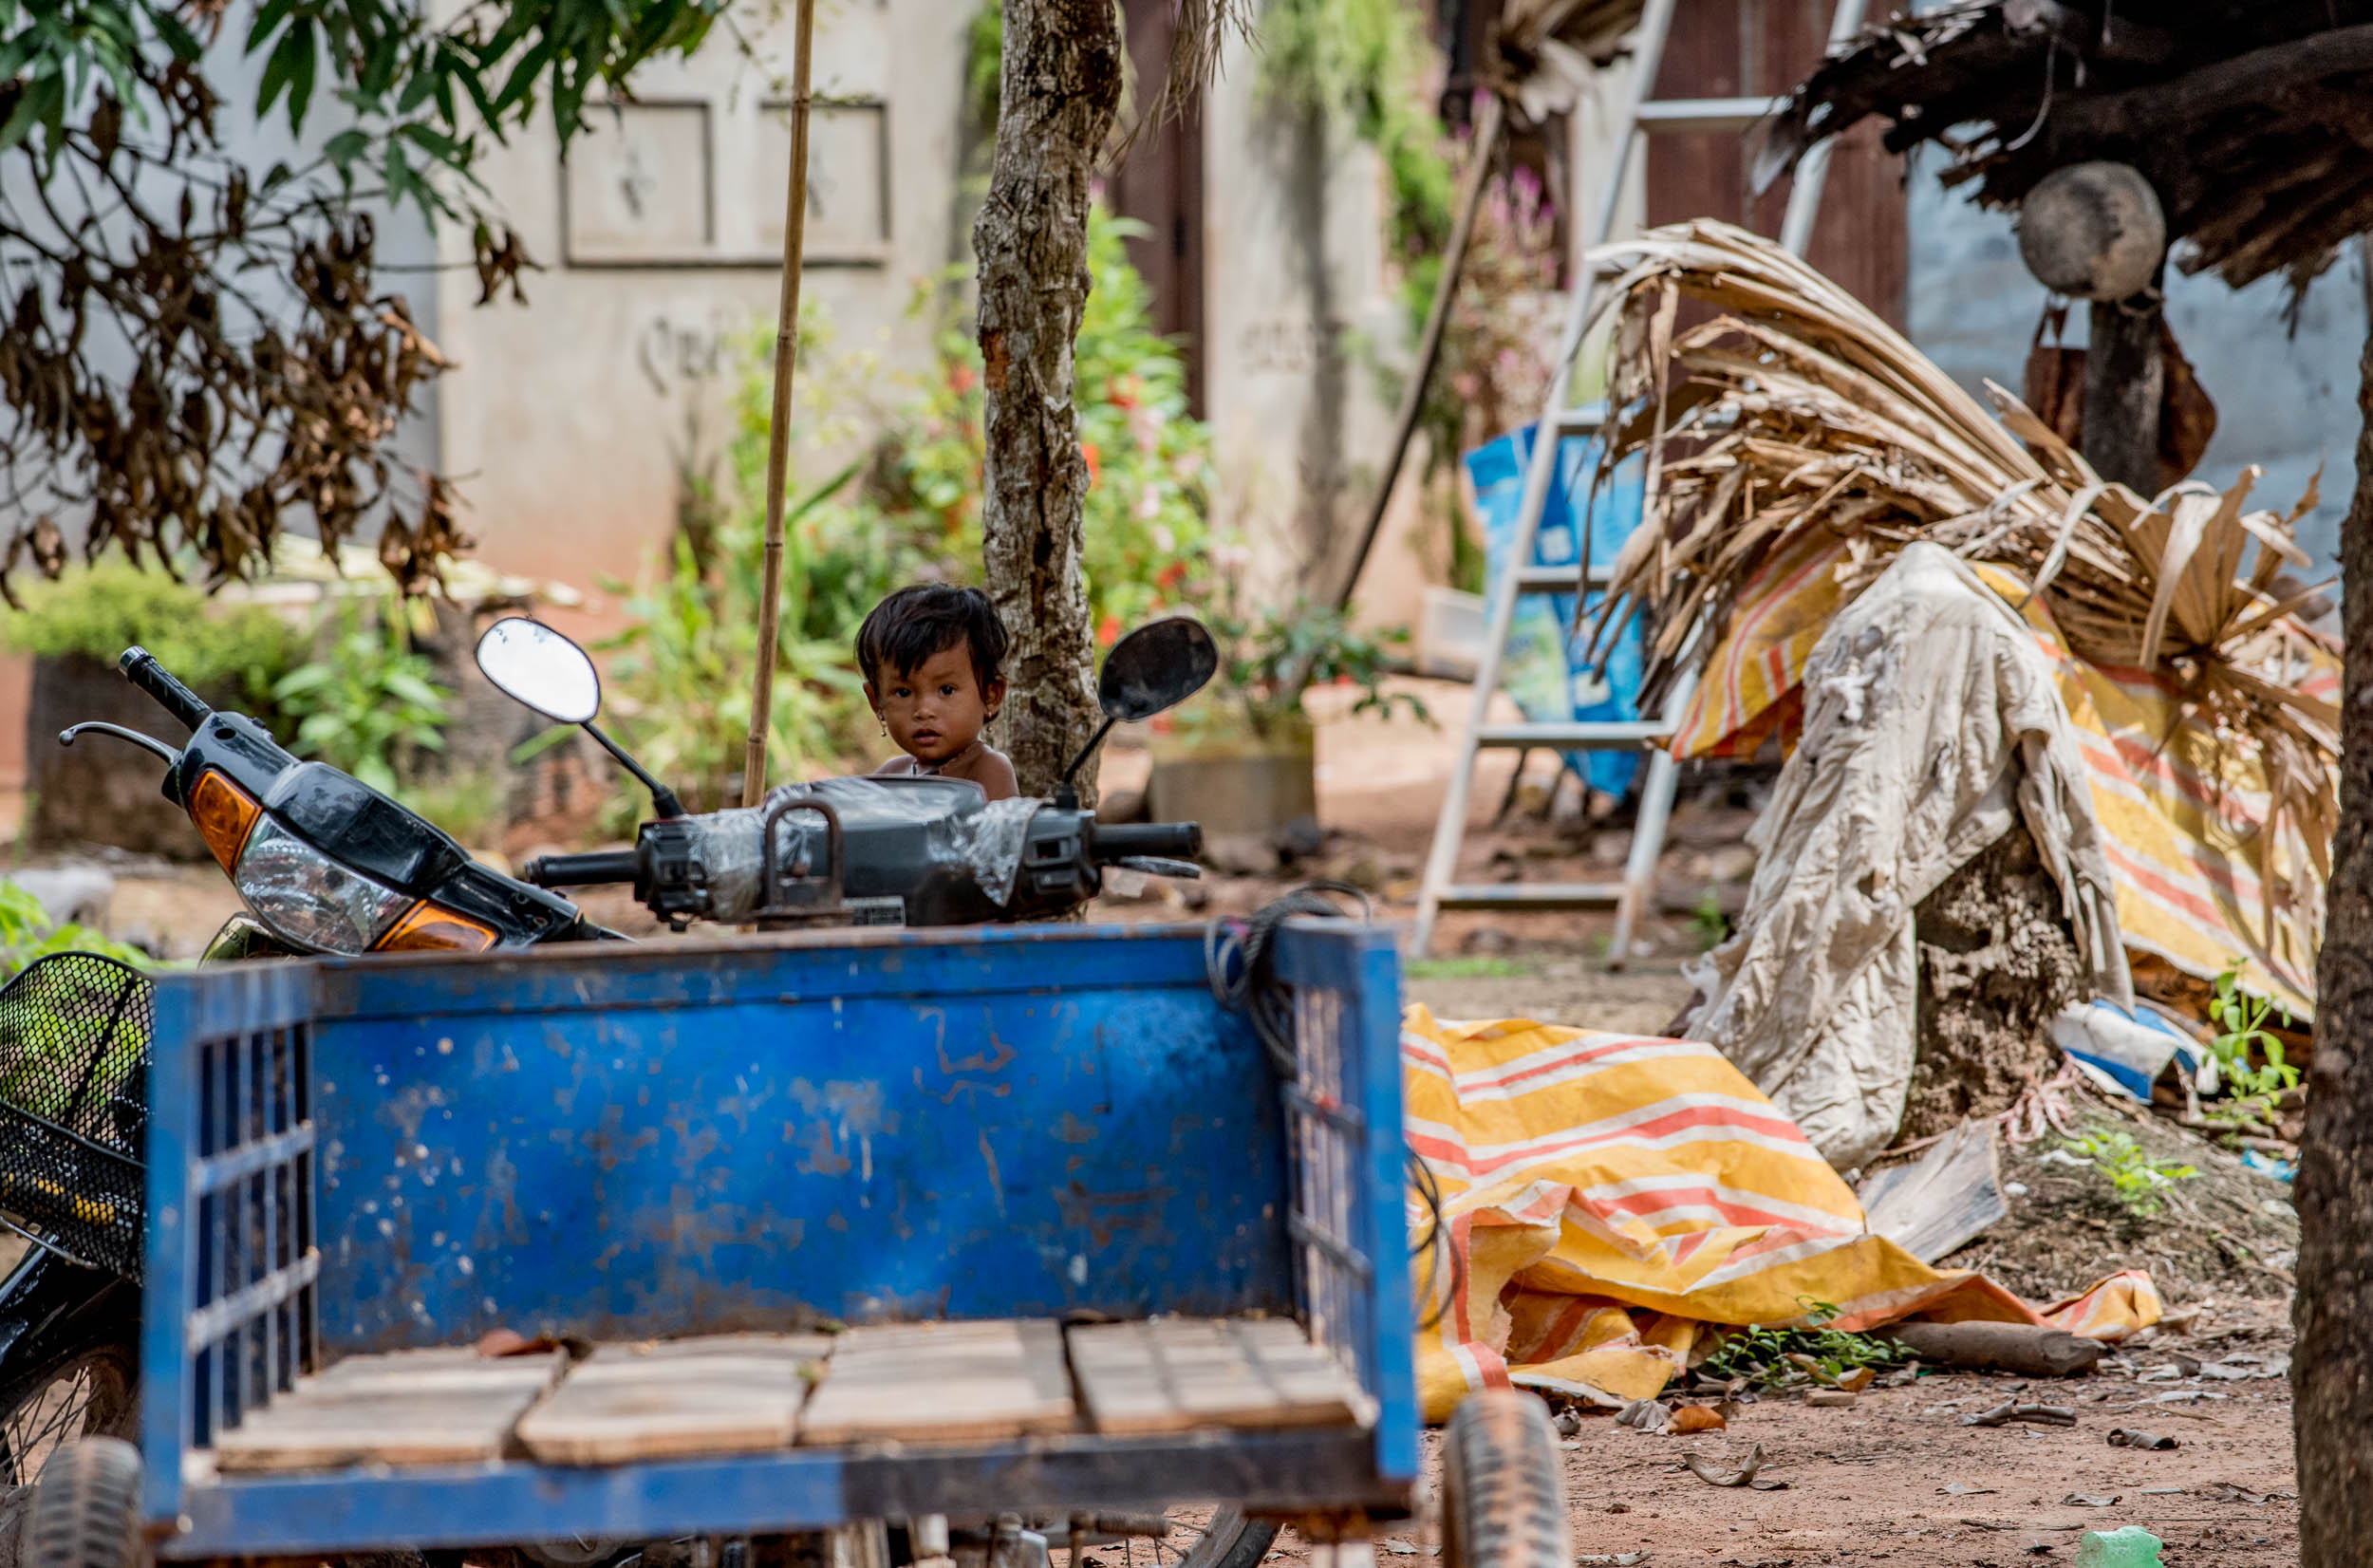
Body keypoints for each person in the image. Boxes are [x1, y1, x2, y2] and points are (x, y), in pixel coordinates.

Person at [856, 584, 1019, 802]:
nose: (924, 711)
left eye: (946, 690)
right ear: (877, 701)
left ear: (992, 694)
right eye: (903, 692)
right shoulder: (890, 775)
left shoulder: (986, 770)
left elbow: (997, 834)